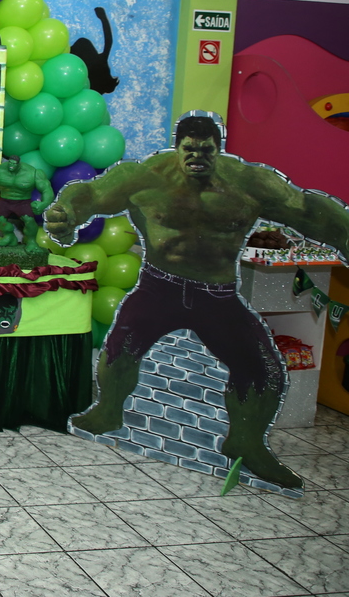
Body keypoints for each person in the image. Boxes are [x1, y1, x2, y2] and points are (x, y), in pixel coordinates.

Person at [45, 114, 349, 489]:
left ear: (219, 149)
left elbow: (306, 208)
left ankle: (247, 442)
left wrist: (345, 233)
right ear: (178, 148)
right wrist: (67, 212)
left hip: (216, 295)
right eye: (190, 150)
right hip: (159, 286)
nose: (197, 158)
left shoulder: (247, 182)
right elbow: (90, 193)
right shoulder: (145, 176)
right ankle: (107, 412)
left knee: (265, 370)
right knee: (121, 347)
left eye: (207, 150)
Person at [0, 155, 54, 251]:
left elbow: (47, 190)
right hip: (5, 200)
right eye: (10, 163)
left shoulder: (33, 173)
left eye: (14, 164)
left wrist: (43, 204)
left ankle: (32, 242)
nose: (11, 166)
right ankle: (9, 237)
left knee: (29, 220)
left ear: (19, 164)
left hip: (23, 201)